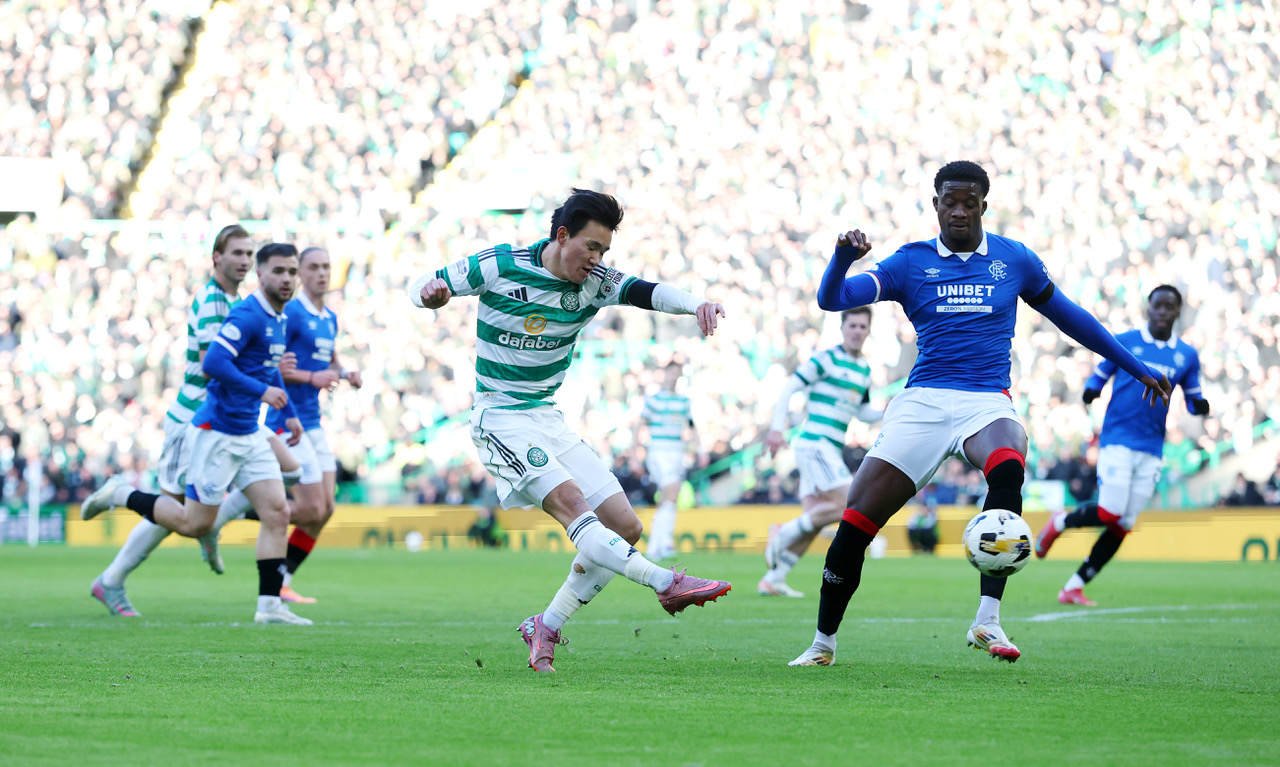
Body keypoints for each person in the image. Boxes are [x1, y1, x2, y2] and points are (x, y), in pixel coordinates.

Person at [788, 161, 1172, 667]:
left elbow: (1073, 319)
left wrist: (1136, 366)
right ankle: (823, 644)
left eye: (970, 202)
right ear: (936, 205)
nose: (960, 211)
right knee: (857, 524)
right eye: (951, 201)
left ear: (984, 206)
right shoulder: (910, 263)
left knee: (1010, 461)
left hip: (985, 400)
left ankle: (987, 619)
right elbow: (831, 298)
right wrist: (841, 259)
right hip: (922, 401)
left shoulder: (1015, 261)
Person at [408, 188, 732, 672]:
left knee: (626, 525)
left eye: (604, 251)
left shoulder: (594, 282)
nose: (598, 260)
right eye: (591, 248)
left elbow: (646, 291)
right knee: (575, 509)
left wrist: (697, 304)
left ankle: (547, 624)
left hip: (546, 416)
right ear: (562, 236)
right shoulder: (499, 264)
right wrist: (429, 295)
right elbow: (425, 284)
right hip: (499, 415)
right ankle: (665, 583)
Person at [82, 243, 311, 625]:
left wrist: (287, 411)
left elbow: (267, 365)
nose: (287, 279)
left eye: (292, 271)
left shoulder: (279, 318)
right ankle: (123, 493)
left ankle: (269, 605)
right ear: (261, 274)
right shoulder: (247, 314)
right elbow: (214, 363)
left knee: (277, 509)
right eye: (279, 272)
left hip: (247, 433)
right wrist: (262, 393)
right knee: (195, 524)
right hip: (216, 431)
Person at [204, 247, 363, 604]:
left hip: (312, 419)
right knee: (307, 509)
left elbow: (329, 361)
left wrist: (344, 373)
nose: (321, 274)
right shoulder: (289, 311)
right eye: (313, 268)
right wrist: (311, 376)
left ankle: (284, 579)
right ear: (300, 274)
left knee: (326, 511)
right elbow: (281, 367)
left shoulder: (329, 318)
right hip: (284, 417)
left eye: (326, 266)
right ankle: (233, 510)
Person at [1035, 286, 1209, 605]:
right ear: (1148, 308)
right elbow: (1100, 374)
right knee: (1110, 512)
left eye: (1169, 307)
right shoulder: (1126, 341)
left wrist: (1201, 407)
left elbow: (1195, 396)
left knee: (1123, 523)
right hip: (1118, 437)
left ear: (1177, 312)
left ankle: (1073, 586)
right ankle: (1060, 521)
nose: (1162, 312)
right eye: (1158, 306)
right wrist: (1091, 391)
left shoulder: (1187, 354)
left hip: (1152, 445)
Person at [759, 307, 882, 597]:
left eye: (862, 327)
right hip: (816, 443)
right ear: (842, 328)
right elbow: (791, 386)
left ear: (868, 331)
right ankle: (782, 532)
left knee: (815, 519)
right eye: (852, 325)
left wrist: (887, 411)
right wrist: (776, 429)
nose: (857, 331)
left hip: (828, 448)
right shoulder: (827, 359)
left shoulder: (863, 370)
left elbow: (862, 411)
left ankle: (774, 578)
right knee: (850, 504)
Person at [633, 360, 706, 560]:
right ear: (664, 374)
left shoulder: (683, 401)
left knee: (668, 497)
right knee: (672, 492)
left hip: (677, 450)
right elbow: (639, 425)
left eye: (677, 373)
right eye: (671, 373)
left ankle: (658, 544)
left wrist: (701, 449)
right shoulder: (654, 400)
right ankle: (662, 544)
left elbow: (691, 425)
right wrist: (634, 455)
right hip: (659, 450)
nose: (674, 377)